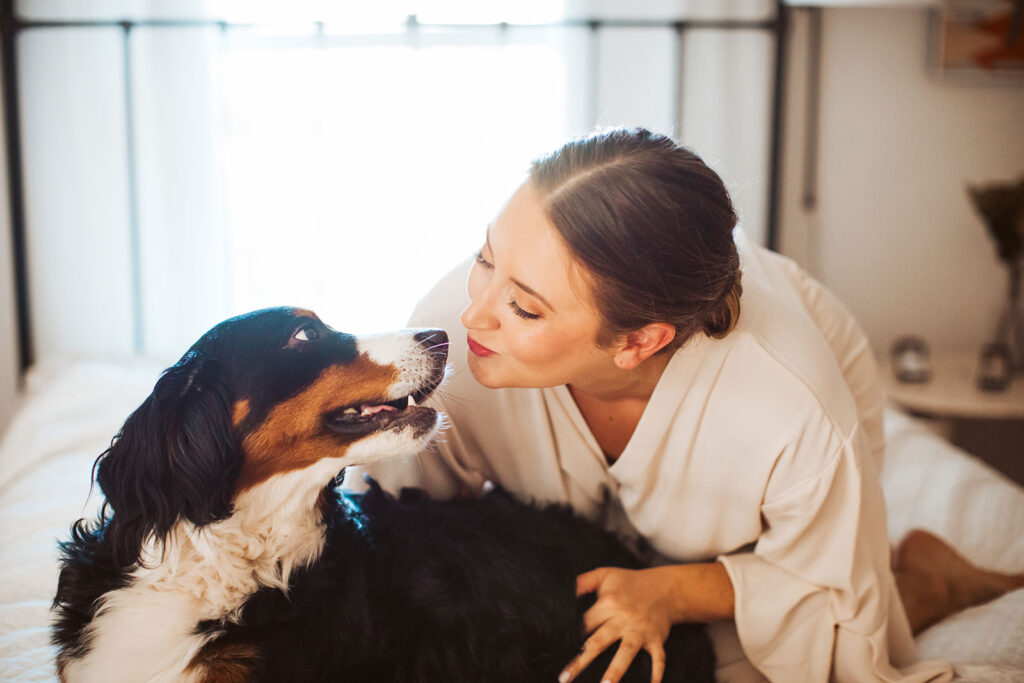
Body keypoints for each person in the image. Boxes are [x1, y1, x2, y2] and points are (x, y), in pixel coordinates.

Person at [350, 127, 1023, 682]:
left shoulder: (792, 407)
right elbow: (393, 522)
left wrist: (673, 590)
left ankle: (928, 582)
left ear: (640, 340)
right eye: (486, 257)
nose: (475, 313)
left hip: (794, 447)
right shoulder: (456, 336)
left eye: (524, 305)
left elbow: (821, 587)